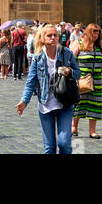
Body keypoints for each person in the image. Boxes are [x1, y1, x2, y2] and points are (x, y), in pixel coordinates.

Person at [17, 23, 79, 154]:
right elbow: (30, 82)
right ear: (42, 38)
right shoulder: (38, 57)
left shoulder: (66, 53)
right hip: (45, 104)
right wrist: (24, 101)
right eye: (49, 35)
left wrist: (70, 71)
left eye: (55, 35)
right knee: (49, 148)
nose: (52, 38)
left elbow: (78, 72)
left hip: (64, 103)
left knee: (64, 143)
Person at [73, 22, 102, 139]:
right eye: (94, 32)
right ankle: (74, 127)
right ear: (88, 32)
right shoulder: (79, 44)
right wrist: (72, 76)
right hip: (82, 79)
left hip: (96, 80)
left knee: (95, 104)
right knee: (79, 103)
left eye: (98, 33)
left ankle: (92, 131)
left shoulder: (97, 46)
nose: (96, 35)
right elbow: (71, 60)